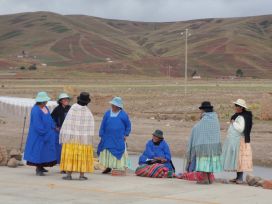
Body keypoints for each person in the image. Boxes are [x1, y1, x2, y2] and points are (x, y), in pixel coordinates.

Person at [59, 92, 95, 180]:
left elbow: (67, 123)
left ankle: (69, 175)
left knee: (70, 156)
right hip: (83, 139)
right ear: (87, 102)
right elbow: (90, 126)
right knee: (82, 156)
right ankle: (81, 175)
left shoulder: (73, 109)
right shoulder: (88, 112)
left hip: (71, 139)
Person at [186, 101, 222, 184]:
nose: (201, 112)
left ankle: (205, 179)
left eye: (201, 110)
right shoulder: (215, 119)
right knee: (210, 161)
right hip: (214, 146)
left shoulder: (205, 119)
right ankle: (210, 178)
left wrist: (194, 130)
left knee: (204, 160)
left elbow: (196, 128)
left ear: (204, 110)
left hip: (203, 146)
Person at [24, 92, 57, 176]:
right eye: (45, 100)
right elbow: (37, 124)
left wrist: (53, 127)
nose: (46, 102)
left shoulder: (45, 108)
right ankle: (38, 169)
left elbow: (49, 119)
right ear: (41, 101)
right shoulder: (36, 110)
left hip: (47, 133)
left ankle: (42, 166)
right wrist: (44, 132)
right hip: (39, 135)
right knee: (38, 151)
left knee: (45, 152)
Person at [222, 99, 253, 184]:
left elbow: (240, 128)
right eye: (235, 105)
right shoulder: (239, 115)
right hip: (235, 140)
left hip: (239, 141)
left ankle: (240, 178)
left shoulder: (242, 117)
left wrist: (233, 123)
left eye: (237, 106)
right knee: (237, 159)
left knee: (239, 159)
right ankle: (238, 177)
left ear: (241, 108)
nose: (235, 107)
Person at [97, 97, 131, 174]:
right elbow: (103, 124)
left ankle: (117, 167)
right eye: (112, 105)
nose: (113, 106)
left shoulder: (123, 114)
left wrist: (126, 134)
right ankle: (108, 167)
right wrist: (101, 133)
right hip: (107, 136)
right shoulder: (107, 113)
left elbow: (128, 125)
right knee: (107, 151)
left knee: (118, 150)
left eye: (114, 105)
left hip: (118, 137)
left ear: (118, 106)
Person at [51, 93, 71, 164]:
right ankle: (60, 162)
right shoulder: (57, 109)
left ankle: (67, 162)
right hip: (59, 131)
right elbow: (52, 119)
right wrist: (55, 126)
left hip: (69, 131)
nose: (66, 100)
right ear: (60, 101)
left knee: (68, 146)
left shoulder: (70, 108)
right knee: (60, 147)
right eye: (64, 99)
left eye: (67, 99)